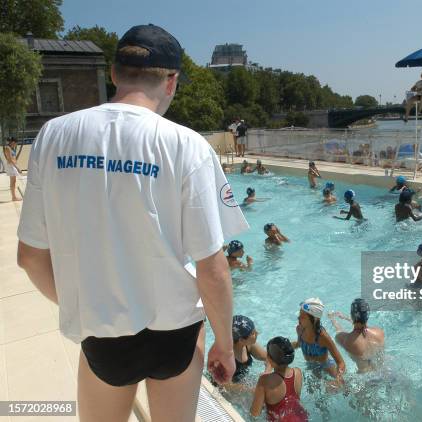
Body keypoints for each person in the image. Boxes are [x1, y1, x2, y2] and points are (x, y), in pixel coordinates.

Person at [16, 24, 249, 422]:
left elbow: (30, 257)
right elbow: (213, 270)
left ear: (113, 74)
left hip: (104, 334)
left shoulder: (53, 136)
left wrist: (85, 304)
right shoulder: (186, 145)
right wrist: (225, 347)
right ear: (171, 81)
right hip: (176, 333)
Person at [250, 337, 309, 421]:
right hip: (302, 418)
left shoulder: (264, 381)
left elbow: (254, 414)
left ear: (269, 358)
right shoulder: (298, 372)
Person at [293, 298, 346, 382]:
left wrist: (337, 380)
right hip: (310, 367)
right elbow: (299, 344)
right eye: (299, 314)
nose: (298, 318)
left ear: (314, 319)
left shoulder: (322, 337)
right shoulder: (299, 330)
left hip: (326, 366)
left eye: (302, 316)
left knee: (344, 387)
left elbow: (341, 363)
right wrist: (285, 347)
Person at [328, 299, 384, 373]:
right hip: (383, 371)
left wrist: (332, 318)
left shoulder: (347, 340)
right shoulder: (379, 333)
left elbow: (339, 331)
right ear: (367, 315)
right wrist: (346, 318)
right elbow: (361, 326)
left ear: (352, 315)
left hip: (365, 378)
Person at [226, 316, 267, 388]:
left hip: (242, 382)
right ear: (241, 340)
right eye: (253, 333)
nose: (257, 333)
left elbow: (270, 357)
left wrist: (267, 371)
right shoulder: (226, 357)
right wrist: (252, 389)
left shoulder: (248, 345)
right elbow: (224, 384)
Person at [3, 137, 22, 201]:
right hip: (10, 166)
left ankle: (14, 197)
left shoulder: (11, 148)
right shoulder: (7, 148)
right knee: (13, 181)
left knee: (14, 181)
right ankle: (14, 197)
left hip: (12, 166)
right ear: (13, 142)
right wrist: (17, 168)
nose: (16, 145)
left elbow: (13, 158)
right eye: (16, 143)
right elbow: (10, 159)